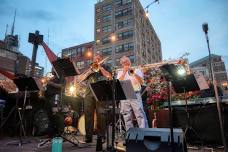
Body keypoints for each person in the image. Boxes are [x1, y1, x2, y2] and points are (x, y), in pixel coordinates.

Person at [82, 52, 112, 145]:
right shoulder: (90, 68)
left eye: (99, 58)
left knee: (101, 116)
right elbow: (81, 79)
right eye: (95, 58)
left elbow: (109, 76)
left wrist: (100, 67)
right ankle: (88, 137)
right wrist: (89, 71)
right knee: (88, 115)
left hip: (100, 92)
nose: (97, 60)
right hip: (88, 93)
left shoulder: (106, 66)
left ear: (101, 59)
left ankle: (101, 136)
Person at [117, 56, 148, 131]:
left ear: (130, 61)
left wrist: (134, 73)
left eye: (127, 61)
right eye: (124, 62)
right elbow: (118, 82)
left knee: (139, 114)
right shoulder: (120, 72)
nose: (126, 63)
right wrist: (124, 72)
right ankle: (130, 133)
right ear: (121, 64)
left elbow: (142, 82)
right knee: (126, 115)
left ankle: (144, 132)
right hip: (125, 94)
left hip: (135, 93)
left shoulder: (137, 70)